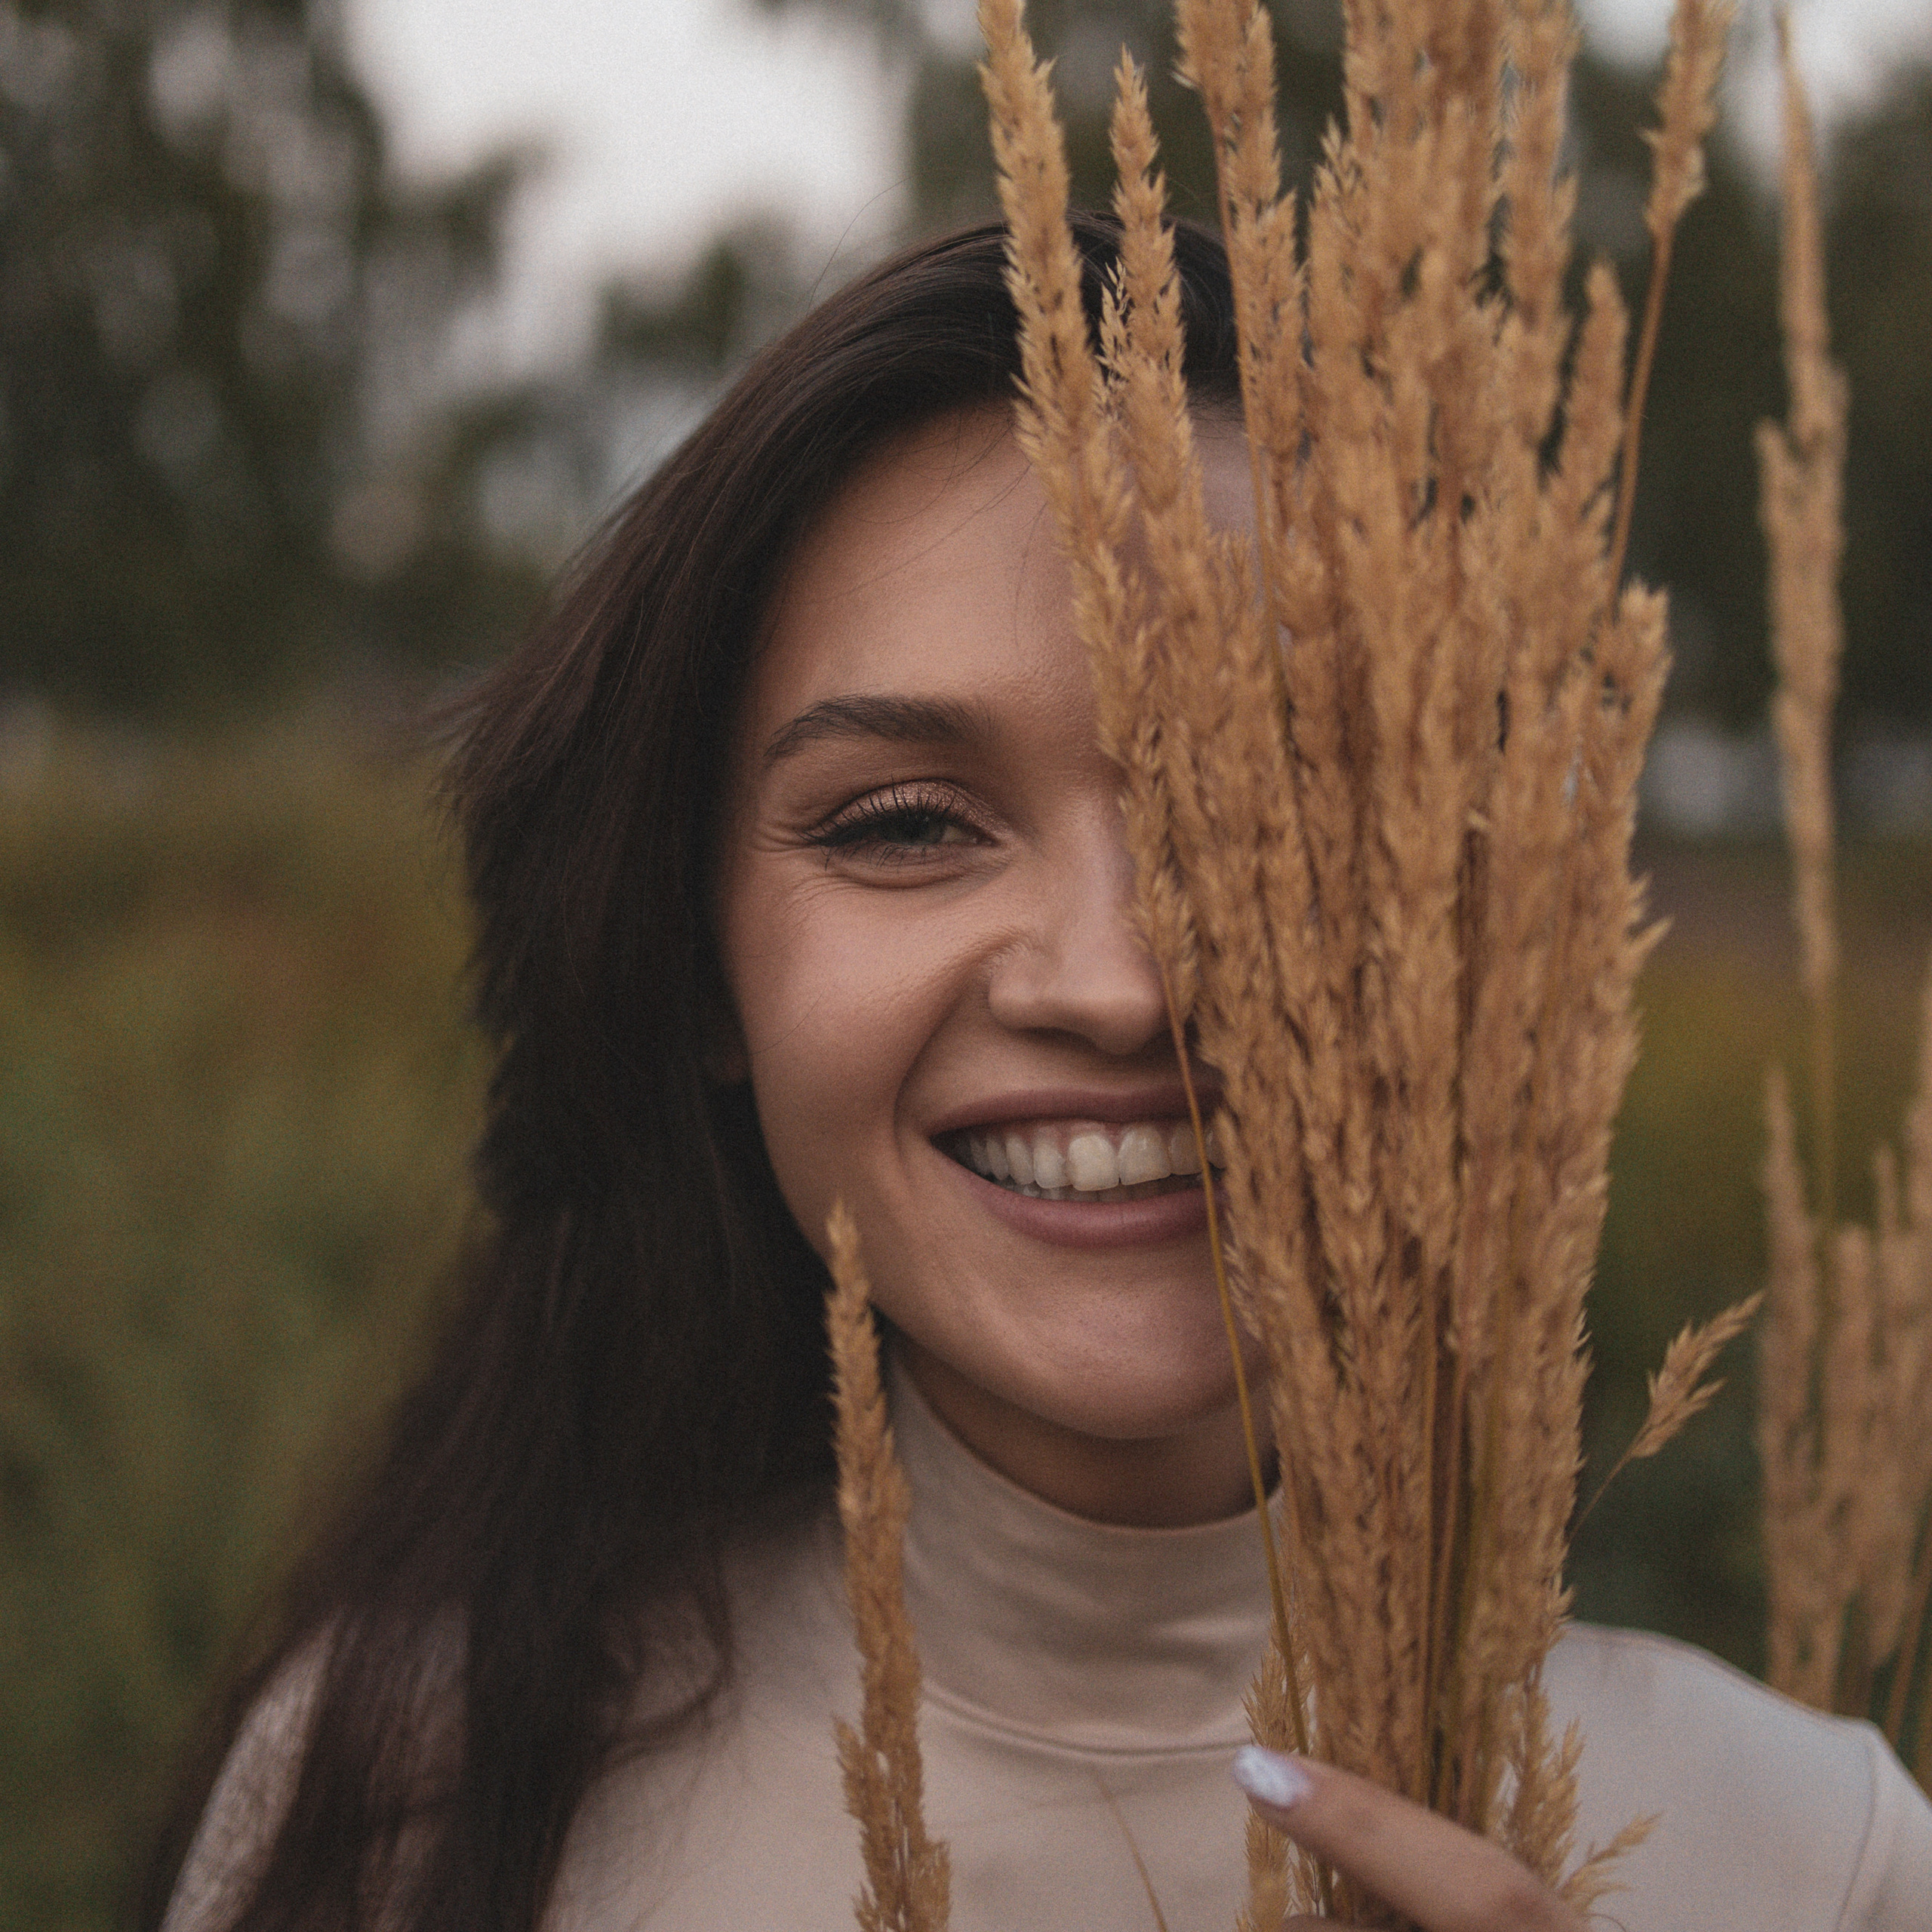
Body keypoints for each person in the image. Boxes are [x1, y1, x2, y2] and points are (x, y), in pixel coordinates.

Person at [145, 215, 1932, 1932]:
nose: (1120, 980)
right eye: (906, 822)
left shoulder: (1809, 1856)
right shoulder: (415, 1790)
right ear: (704, 966)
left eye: (1271, 814)